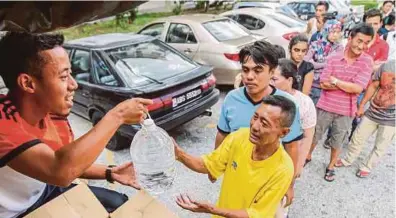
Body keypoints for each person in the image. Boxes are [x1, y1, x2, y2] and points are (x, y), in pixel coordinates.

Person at [0, 32, 153, 218]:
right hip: (14, 214)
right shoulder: (3, 121)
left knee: (118, 203)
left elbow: (67, 160)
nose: (74, 85)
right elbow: (60, 171)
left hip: (44, 191)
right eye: (64, 77)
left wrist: (110, 172)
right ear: (28, 83)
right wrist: (117, 115)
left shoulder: (52, 112)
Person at [175, 95, 295, 218]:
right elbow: (207, 164)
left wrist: (213, 209)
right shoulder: (239, 137)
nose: (254, 126)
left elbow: (256, 214)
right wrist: (179, 154)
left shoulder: (283, 169)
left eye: (264, 123)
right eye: (255, 117)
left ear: (284, 132)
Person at [216, 41, 303, 207]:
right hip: (237, 177)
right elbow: (222, 134)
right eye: (245, 69)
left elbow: (292, 146)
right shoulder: (231, 99)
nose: (249, 76)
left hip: (270, 182)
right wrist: (216, 165)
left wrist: (289, 185)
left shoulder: (286, 104)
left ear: (272, 72)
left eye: (258, 70)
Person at [307, 24, 374, 182]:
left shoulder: (367, 62)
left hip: (346, 110)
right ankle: (308, 155)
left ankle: (330, 166)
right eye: (359, 41)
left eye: (366, 42)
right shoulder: (334, 57)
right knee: (315, 134)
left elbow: (358, 88)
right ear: (350, 38)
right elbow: (323, 83)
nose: (361, 46)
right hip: (325, 104)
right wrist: (347, 86)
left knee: (338, 140)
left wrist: (336, 81)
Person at [336, 59, 395, 178]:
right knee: (357, 137)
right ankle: (348, 159)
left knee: (381, 145)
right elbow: (373, 86)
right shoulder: (387, 66)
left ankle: (366, 167)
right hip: (373, 111)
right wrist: (362, 105)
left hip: (392, 120)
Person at [270, 59, 317, 177]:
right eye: (269, 78)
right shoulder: (265, 98)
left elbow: (307, 137)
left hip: (289, 158)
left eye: (274, 79)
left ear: (289, 80)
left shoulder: (305, 103)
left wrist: (299, 164)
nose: (270, 82)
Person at [305, 19, 344, 105]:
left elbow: (335, 66)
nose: (335, 35)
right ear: (326, 31)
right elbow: (307, 63)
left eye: (338, 32)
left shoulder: (339, 48)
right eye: (333, 32)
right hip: (311, 84)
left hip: (327, 86)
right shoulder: (316, 44)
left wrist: (316, 64)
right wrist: (326, 64)